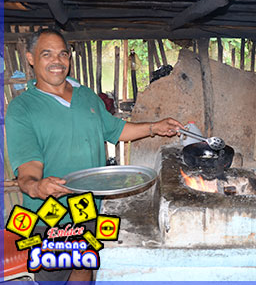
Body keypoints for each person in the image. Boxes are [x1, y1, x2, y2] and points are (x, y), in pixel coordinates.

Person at [5, 28, 184, 282]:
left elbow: (115, 129)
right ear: (31, 58)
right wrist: (37, 187)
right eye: (47, 54)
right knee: (54, 278)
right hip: (49, 217)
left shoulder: (85, 94)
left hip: (87, 208)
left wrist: (156, 127)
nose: (57, 61)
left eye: (62, 54)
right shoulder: (22, 108)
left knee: (84, 269)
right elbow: (29, 167)